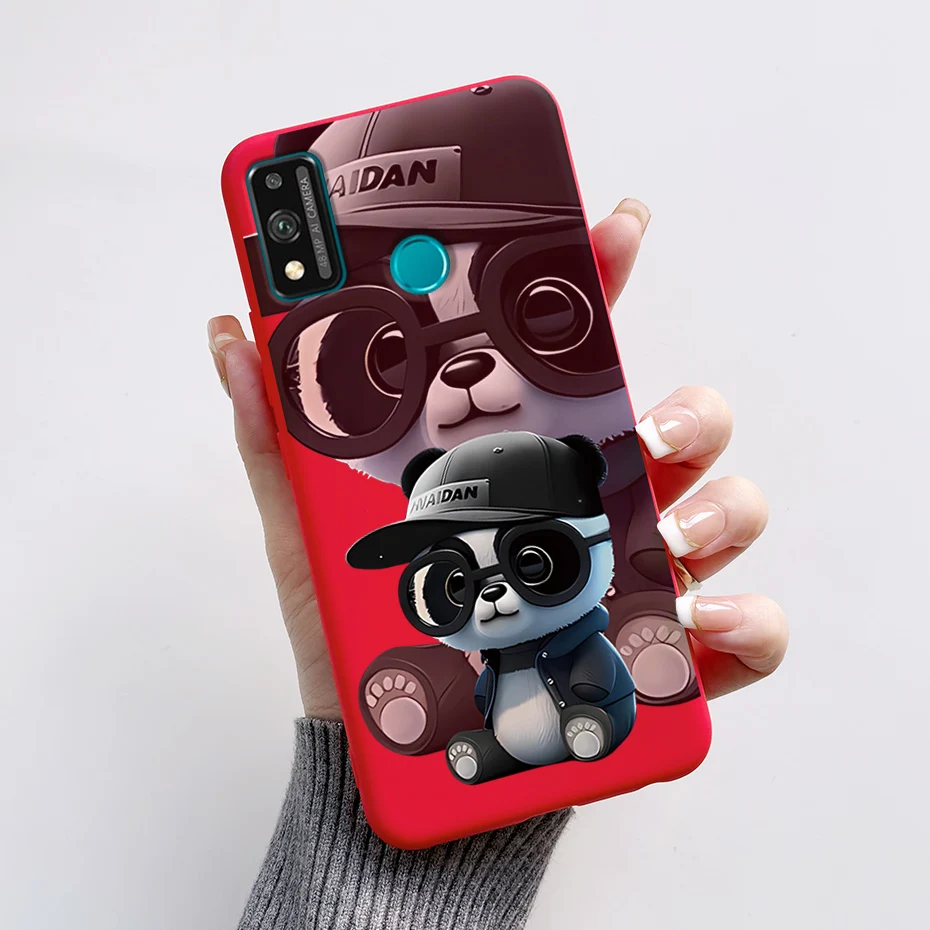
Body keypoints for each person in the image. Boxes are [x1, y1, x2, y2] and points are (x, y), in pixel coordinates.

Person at [207, 199, 789, 930]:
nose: (490, 598)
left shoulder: (576, 621)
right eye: (451, 583)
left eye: (532, 559)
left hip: (584, 708)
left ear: (593, 539)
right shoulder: (473, 659)